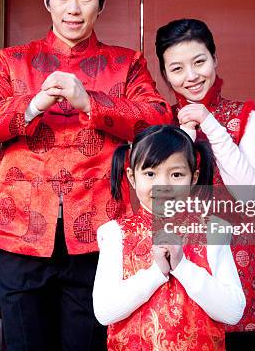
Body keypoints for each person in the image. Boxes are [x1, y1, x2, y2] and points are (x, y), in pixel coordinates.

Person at [0, 0, 172, 351]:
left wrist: (90, 101)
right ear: (47, 1)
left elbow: (159, 119)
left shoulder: (127, 64)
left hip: (99, 235)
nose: (73, 8)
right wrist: (32, 105)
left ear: (100, 4)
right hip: (20, 231)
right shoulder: (13, 61)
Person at [155, 18, 255, 350]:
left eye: (200, 61)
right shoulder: (161, 125)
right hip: (177, 257)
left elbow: (247, 193)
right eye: (178, 68)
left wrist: (210, 123)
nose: (192, 76)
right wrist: (184, 135)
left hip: (235, 254)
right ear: (166, 75)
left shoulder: (245, 115)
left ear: (215, 59)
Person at [93, 125, 245, 350]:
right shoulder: (114, 234)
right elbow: (105, 312)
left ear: (193, 178)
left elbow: (233, 311)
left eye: (176, 174)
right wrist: (156, 273)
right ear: (132, 178)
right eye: (150, 173)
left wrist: (182, 267)